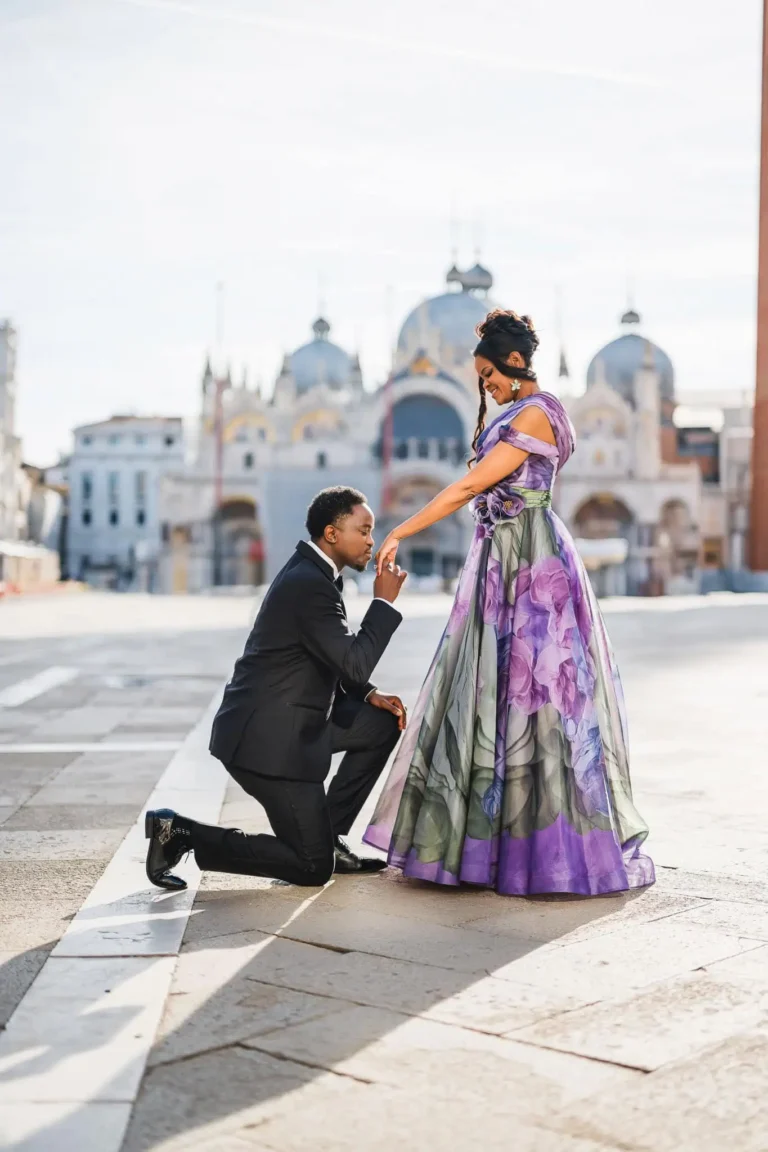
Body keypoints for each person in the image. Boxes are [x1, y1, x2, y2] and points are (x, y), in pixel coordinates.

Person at [364, 310, 655, 897]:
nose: (485, 386)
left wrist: (402, 529)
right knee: (491, 692)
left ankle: (540, 850)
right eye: (480, 378)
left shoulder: (538, 415)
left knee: (536, 697)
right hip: (503, 560)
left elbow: (473, 484)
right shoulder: (523, 412)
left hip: (528, 564)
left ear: (516, 364)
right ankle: (488, 847)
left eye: (489, 375)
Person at [145, 487, 407, 891]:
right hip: (269, 744)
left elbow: (329, 655)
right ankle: (179, 832)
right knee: (310, 868)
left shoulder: (316, 575)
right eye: (364, 530)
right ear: (332, 534)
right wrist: (384, 605)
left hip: (296, 724)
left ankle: (329, 837)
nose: (372, 540)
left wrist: (368, 692)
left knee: (380, 723)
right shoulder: (309, 583)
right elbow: (352, 659)